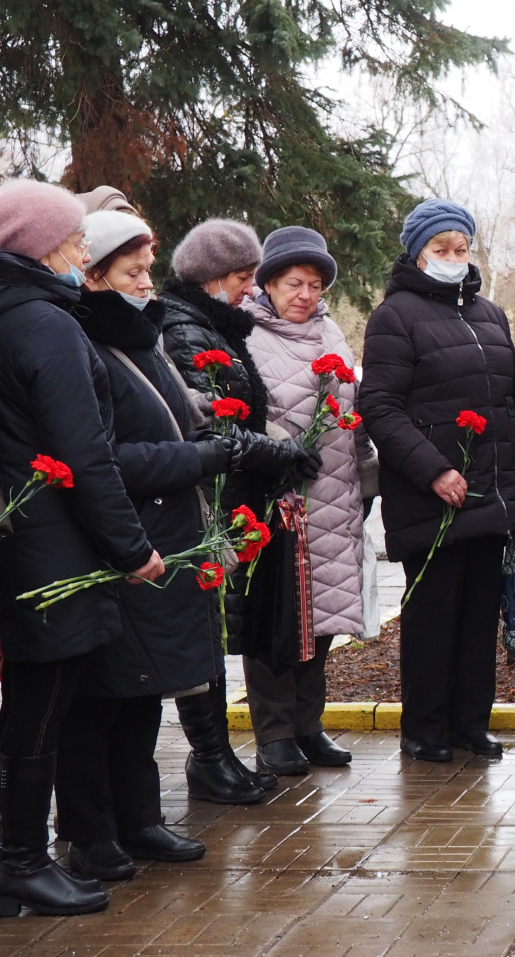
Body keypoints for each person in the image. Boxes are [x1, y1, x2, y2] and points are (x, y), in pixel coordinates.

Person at [0, 180, 163, 916]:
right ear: (36, 246)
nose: (79, 256)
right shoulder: (44, 323)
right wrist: (132, 549)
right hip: (49, 547)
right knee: (42, 704)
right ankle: (22, 860)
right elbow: (86, 452)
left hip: (26, 538)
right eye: (70, 244)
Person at [55, 208, 218, 881]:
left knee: (144, 687)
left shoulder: (138, 338)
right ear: (90, 275)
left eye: (149, 267)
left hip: (162, 535)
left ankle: (139, 818)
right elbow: (107, 457)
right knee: (103, 696)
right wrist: (199, 457)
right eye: (132, 271)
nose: (147, 282)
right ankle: (92, 831)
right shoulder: (82, 344)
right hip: (117, 539)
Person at [362, 199, 515, 763]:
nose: (452, 258)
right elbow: (380, 405)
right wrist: (434, 470)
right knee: (433, 617)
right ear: (417, 254)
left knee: (476, 618)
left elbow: (512, 402)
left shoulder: (489, 315)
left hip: (491, 495)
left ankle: (470, 722)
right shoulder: (395, 315)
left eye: (460, 249)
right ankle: (424, 729)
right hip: (435, 500)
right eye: (440, 250)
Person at [162, 217, 315, 800]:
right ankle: (210, 757)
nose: (251, 290)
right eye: (244, 278)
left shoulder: (217, 325)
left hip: (235, 491)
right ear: (211, 278)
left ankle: (217, 754)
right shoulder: (187, 329)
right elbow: (211, 420)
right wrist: (274, 451)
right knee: (206, 626)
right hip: (211, 496)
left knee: (215, 623)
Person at [241, 227, 375, 775]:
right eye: (294, 282)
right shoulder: (248, 336)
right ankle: (273, 733)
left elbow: (353, 407)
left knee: (320, 619)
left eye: (315, 285)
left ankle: (307, 725)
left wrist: (366, 475)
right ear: (268, 283)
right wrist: (280, 447)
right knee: (277, 616)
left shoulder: (333, 333)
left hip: (335, 495)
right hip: (281, 499)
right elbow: (243, 412)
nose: (305, 294)